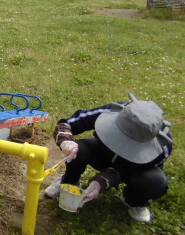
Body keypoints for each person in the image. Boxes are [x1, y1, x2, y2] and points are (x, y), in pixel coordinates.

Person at [44, 94, 173, 223]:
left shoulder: (163, 145)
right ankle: (69, 182)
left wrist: (103, 181)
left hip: (134, 168)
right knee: (78, 149)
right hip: (103, 154)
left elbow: (135, 167)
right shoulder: (114, 111)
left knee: (156, 183)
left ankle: (132, 200)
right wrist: (66, 141)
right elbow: (67, 124)